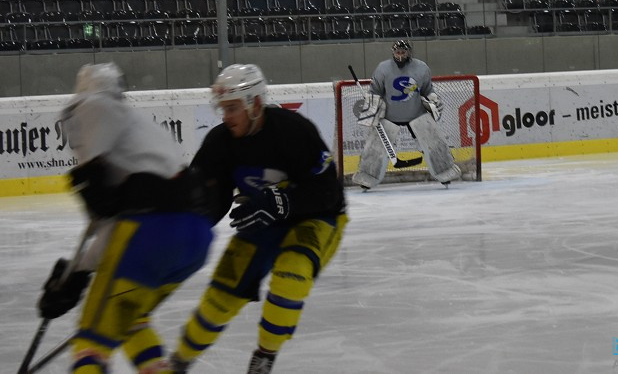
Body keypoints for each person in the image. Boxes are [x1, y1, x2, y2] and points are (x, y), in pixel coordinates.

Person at [169, 64, 348, 374]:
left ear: (255, 103)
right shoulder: (218, 142)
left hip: (317, 218)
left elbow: (329, 192)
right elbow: (211, 199)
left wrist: (283, 202)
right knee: (220, 295)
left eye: (232, 107)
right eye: (222, 108)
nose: (225, 116)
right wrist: (183, 223)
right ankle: (178, 363)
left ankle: (264, 357)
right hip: (263, 221)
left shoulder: (294, 130)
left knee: (292, 276)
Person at [37, 63, 213, 373]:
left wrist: (74, 277)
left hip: (148, 234)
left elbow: (113, 216)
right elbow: (118, 217)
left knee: (92, 342)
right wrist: (79, 272)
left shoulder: (92, 106)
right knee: (130, 320)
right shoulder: (141, 128)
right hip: (194, 237)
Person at [352, 39, 460, 190]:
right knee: (374, 147)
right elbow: (375, 90)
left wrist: (433, 99)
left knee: (435, 142)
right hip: (390, 117)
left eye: (403, 52)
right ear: (393, 52)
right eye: (397, 52)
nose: (400, 55)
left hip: (417, 115)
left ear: (409, 52)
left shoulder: (422, 68)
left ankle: (444, 171)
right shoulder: (383, 68)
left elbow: (427, 89)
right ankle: (367, 177)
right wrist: (371, 103)